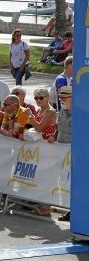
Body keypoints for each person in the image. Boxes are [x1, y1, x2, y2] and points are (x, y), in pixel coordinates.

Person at [55, 86, 72, 222]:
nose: (61, 100)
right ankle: (69, 209)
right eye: (60, 97)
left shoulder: (80, 113)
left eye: (64, 97)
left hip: (73, 154)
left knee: (73, 183)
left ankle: (74, 211)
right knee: (65, 183)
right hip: (61, 151)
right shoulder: (61, 110)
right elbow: (58, 128)